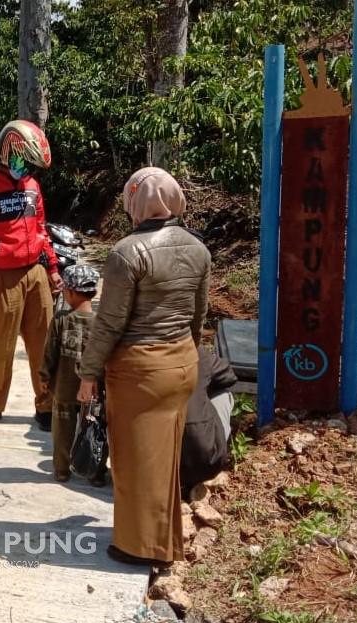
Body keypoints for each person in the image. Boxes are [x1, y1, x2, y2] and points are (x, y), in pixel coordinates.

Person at [77, 166, 211, 568]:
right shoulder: (198, 248)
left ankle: (140, 547)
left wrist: (88, 373)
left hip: (140, 370)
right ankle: (164, 538)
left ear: (134, 202)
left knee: (136, 461)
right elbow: (198, 315)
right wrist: (187, 354)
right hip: (181, 361)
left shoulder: (126, 253)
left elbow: (110, 322)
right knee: (163, 456)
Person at [0, 119, 62, 431]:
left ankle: (45, 405)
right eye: (26, 162)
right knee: (1, 344)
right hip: (1, 277)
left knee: (43, 343)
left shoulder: (32, 186)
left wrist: (53, 268)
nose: (28, 170)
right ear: (9, 153)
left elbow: (42, 229)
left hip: (36, 272)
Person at [39, 265, 100, 482]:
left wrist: (44, 376)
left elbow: (50, 352)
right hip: (95, 390)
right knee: (95, 428)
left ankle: (62, 469)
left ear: (71, 292)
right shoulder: (102, 323)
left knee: (62, 431)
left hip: (64, 387)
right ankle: (97, 472)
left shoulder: (60, 319)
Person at [181, 346, 237, 496]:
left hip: (150, 466)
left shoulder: (135, 354)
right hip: (206, 462)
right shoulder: (197, 353)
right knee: (222, 393)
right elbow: (229, 377)